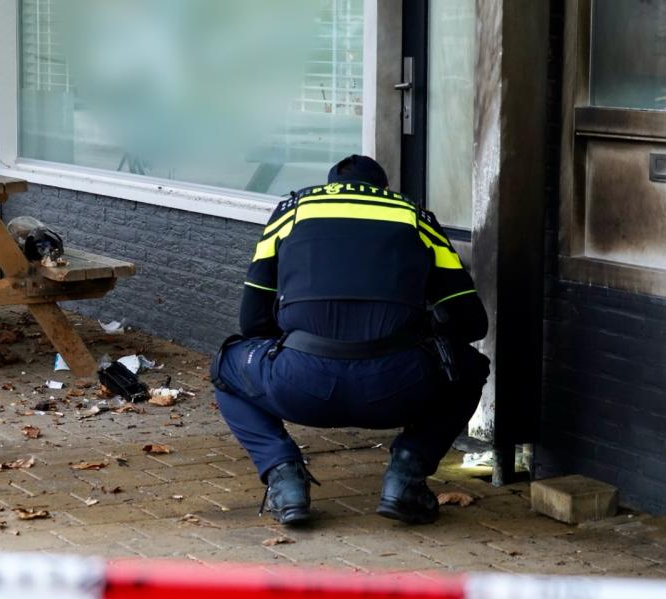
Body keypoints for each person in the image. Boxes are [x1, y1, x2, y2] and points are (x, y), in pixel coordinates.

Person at [210, 155, 490, 526]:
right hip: (398, 389)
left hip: (299, 386)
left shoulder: (291, 212)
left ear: (330, 186)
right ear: (383, 188)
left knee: (225, 366)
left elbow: (252, 322)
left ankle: (283, 476)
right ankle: (406, 475)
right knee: (471, 367)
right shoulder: (416, 217)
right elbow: (471, 322)